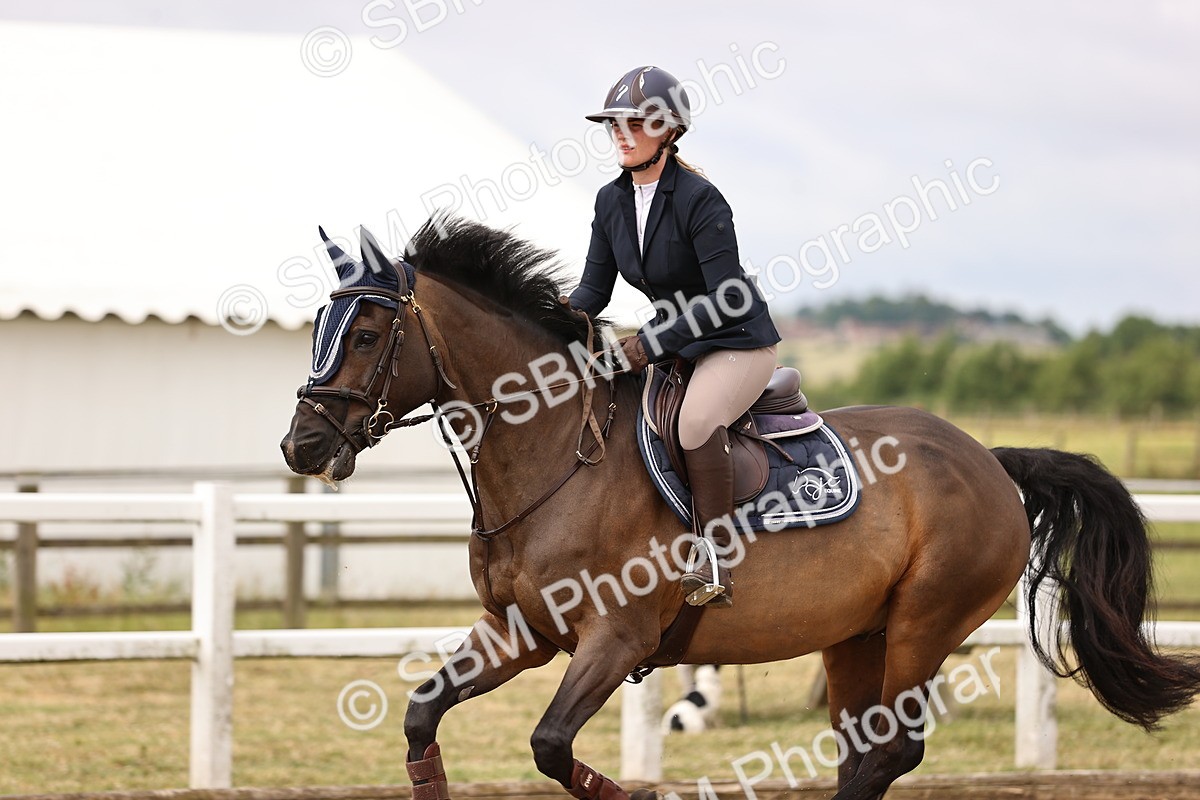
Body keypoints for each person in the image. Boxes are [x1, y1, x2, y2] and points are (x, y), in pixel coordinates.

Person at [567, 65, 782, 608]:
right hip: (677, 344)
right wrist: (540, 331)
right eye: (613, 123)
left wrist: (645, 346)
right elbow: (591, 293)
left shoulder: (699, 199)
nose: (621, 132)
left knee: (693, 423)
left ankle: (714, 557)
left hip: (737, 342)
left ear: (668, 130)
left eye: (635, 122)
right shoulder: (609, 202)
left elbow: (727, 296)